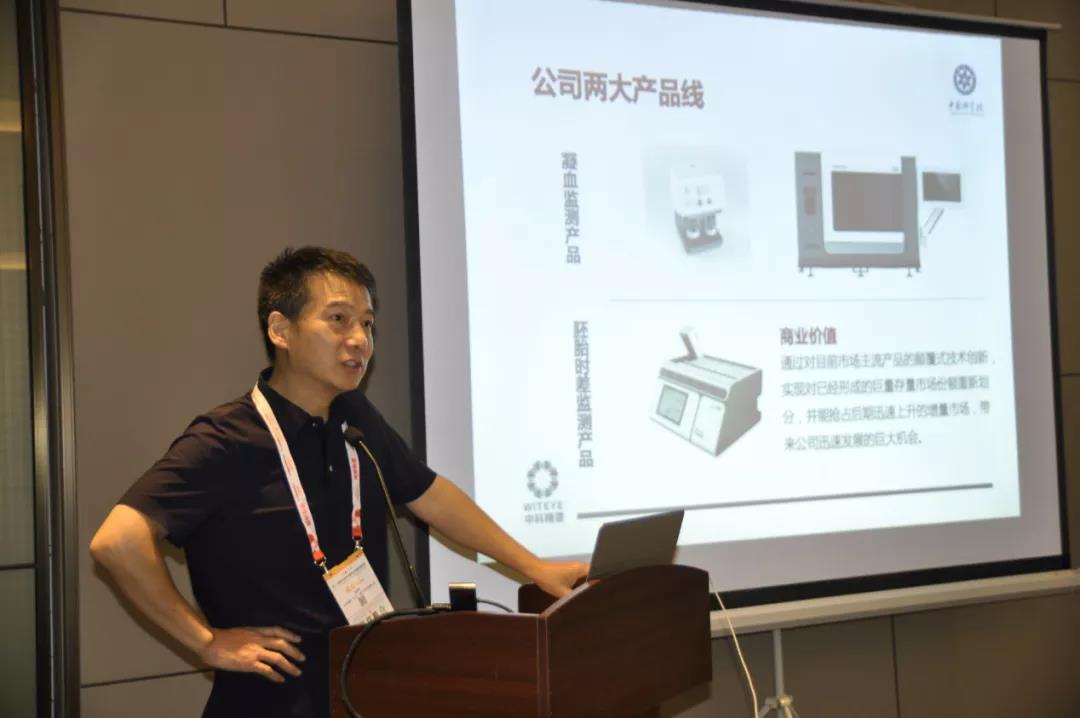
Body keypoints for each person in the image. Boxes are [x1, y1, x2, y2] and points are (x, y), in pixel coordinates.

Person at [90, 246, 589, 717]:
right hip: (272, 700)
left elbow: (429, 494)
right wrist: (206, 642)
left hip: (360, 687)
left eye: (367, 323)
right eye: (338, 319)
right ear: (280, 330)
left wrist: (533, 567)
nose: (360, 339)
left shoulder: (353, 416)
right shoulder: (226, 437)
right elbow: (117, 542)